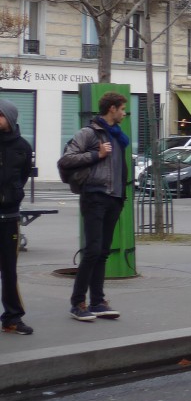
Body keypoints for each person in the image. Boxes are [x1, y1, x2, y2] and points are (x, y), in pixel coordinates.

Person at [59, 91, 128, 322]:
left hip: (114, 198)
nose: (124, 113)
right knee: (92, 250)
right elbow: (66, 160)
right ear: (112, 109)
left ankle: (98, 302)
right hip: (95, 196)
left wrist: (121, 196)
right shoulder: (89, 133)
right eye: (122, 109)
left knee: (102, 252)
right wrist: (95, 154)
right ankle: (78, 303)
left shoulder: (118, 136)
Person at [0, 98, 33, 335]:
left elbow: (23, 176)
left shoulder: (23, 146)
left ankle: (12, 317)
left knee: (9, 270)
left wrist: (13, 196)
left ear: (9, 119)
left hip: (9, 217)